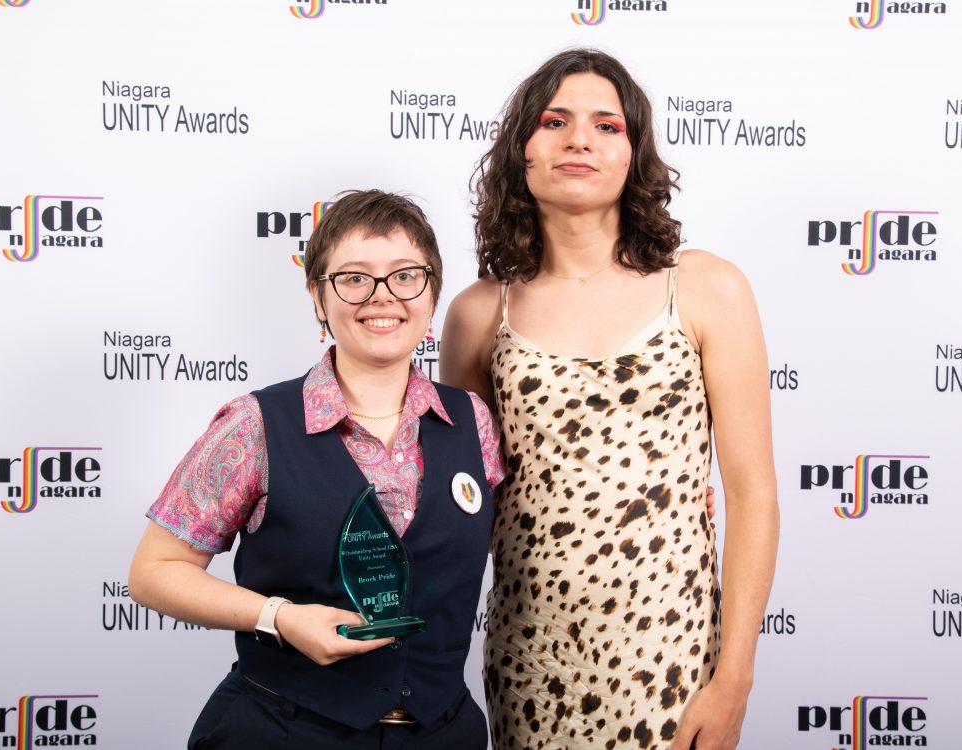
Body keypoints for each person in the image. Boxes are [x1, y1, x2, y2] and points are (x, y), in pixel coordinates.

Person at [441, 49, 780, 750]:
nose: (579, 140)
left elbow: (752, 493)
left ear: (635, 154)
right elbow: (461, 503)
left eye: (607, 125)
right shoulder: (479, 313)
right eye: (554, 120)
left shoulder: (707, 287)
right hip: (530, 656)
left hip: (675, 661)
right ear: (521, 153)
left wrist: (735, 677)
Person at [129, 190, 503, 750]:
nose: (382, 297)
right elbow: (154, 570)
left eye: (405, 276)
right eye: (353, 278)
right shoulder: (254, 425)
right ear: (318, 296)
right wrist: (279, 617)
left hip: (445, 734)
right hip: (284, 732)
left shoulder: (473, 420)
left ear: (431, 294)